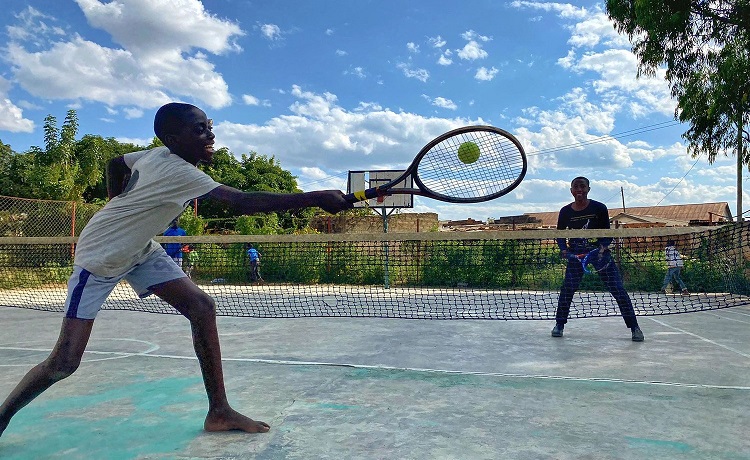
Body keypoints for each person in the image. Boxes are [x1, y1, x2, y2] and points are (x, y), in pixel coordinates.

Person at [0, 102, 352, 438]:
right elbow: (243, 202)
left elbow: (115, 163)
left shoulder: (155, 155)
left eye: (209, 127)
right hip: (101, 256)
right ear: (173, 140)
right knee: (64, 362)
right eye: (200, 130)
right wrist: (315, 195)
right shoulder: (178, 170)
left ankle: (219, 412)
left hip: (140, 249)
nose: (210, 136)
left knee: (201, 308)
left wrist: (118, 200)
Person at [552, 176, 644, 342]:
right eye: (576, 187)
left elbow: (607, 234)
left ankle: (634, 327)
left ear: (588, 189)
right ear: (571, 190)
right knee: (567, 291)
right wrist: (564, 250)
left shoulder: (600, 208)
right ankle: (559, 325)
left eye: (582, 186)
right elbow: (559, 235)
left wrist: (602, 248)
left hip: (600, 255)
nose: (579, 190)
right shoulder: (565, 211)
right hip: (576, 257)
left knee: (618, 289)